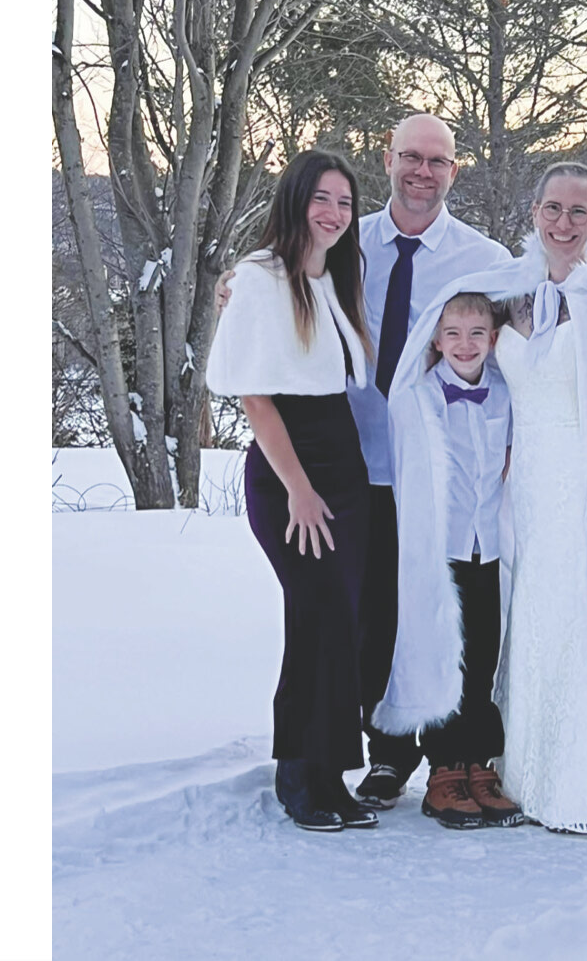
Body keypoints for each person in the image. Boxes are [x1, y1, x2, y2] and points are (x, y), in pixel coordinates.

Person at [218, 116, 509, 810]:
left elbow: (520, 337)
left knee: (433, 612)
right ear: (389, 159)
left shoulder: (483, 258)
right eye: (410, 156)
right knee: (358, 619)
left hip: (432, 470)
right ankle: (382, 757)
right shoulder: (350, 244)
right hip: (348, 461)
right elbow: (273, 303)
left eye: (437, 161)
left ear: (454, 171)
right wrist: (241, 282)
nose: (422, 171)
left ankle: (445, 757)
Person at [380, 162, 587, 834]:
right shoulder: (507, 291)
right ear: (534, 212)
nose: (564, 224)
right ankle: (517, 770)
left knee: (585, 612)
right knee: (525, 618)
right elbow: (451, 350)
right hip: (521, 488)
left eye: (578, 212)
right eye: (553, 209)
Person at [206, 149, 379, 832]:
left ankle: (331, 773)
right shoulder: (260, 278)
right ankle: (297, 776)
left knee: (341, 623)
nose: (334, 214)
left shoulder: (334, 278)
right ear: (296, 200)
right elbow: (257, 398)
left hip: (345, 466)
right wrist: (300, 492)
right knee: (315, 617)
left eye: (345, 202)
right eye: (322, 199)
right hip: (290, 472)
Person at [382, 293, 526, 829]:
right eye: (453, 334)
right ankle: (443, 769)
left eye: (476, 334)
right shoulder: (419, 397)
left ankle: (478, 762)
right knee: (445, 654)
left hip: (488, 545)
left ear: (493, 339)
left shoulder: (505, 393)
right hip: (440, 552)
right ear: (437, 340)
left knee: (484, 654)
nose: (465, 345)